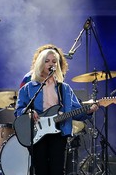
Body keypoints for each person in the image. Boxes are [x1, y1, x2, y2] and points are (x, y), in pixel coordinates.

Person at [13, 47, 99, 175]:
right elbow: (19, 111)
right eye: (47, 61)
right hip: (36, 133)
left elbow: (76, 110)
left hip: (59, 131)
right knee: (41, 169)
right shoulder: (28, 88)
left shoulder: (64, 88)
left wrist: (88, 111)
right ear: (40, 63)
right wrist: (29, 113)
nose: (51, 64)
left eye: (54, 61)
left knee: (57, 169)